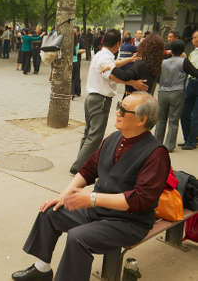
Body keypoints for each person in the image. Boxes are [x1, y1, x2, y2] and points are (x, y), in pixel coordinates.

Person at [12, 92, 170, 281]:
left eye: (123, 109)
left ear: (141, 119)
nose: (117, 111)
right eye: (119, 105)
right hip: (98, 210)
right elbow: (88, 170)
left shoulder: (156, 154)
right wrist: (64, 195)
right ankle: (42, 269)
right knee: (50, 211)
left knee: (78, 237)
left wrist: (92, 199)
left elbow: (140, 199)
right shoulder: (113, 139)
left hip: (129, 222)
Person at [69, 29, 148, 174]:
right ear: (118, 44)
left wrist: (130, 60)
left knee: (89, 133)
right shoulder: (106, 57)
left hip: (92, 98)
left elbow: (114, 65)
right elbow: (111, 75)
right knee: (95, 136)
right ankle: (78, 167)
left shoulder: (102, 54)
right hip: (100, 100)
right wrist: (133, 83)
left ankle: (82, 163)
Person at [155, 39, 198, 152]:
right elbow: (195, 73)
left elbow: (157, 77)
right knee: (173, 120)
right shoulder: (184, 61)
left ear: (171, 50)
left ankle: (156, 143)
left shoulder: (163, 62)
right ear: (183, 50)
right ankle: (169, 146)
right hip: (177, 92)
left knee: (161, 119)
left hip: (163, 92)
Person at [180, 30, 198, 150]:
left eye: (196, 37)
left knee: (196, 114)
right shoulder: (193, 53)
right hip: (192, 83)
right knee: (184, 112)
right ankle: (187, 139)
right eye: (193, 38)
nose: (194, 40)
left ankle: (192, 142)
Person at [71, 31, 86, 99]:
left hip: (70, 63)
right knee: (76, 78)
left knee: (71, 78)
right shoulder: (77, 44)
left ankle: (72, 92)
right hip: (76, 62)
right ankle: (75, 92)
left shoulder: (69, 44)